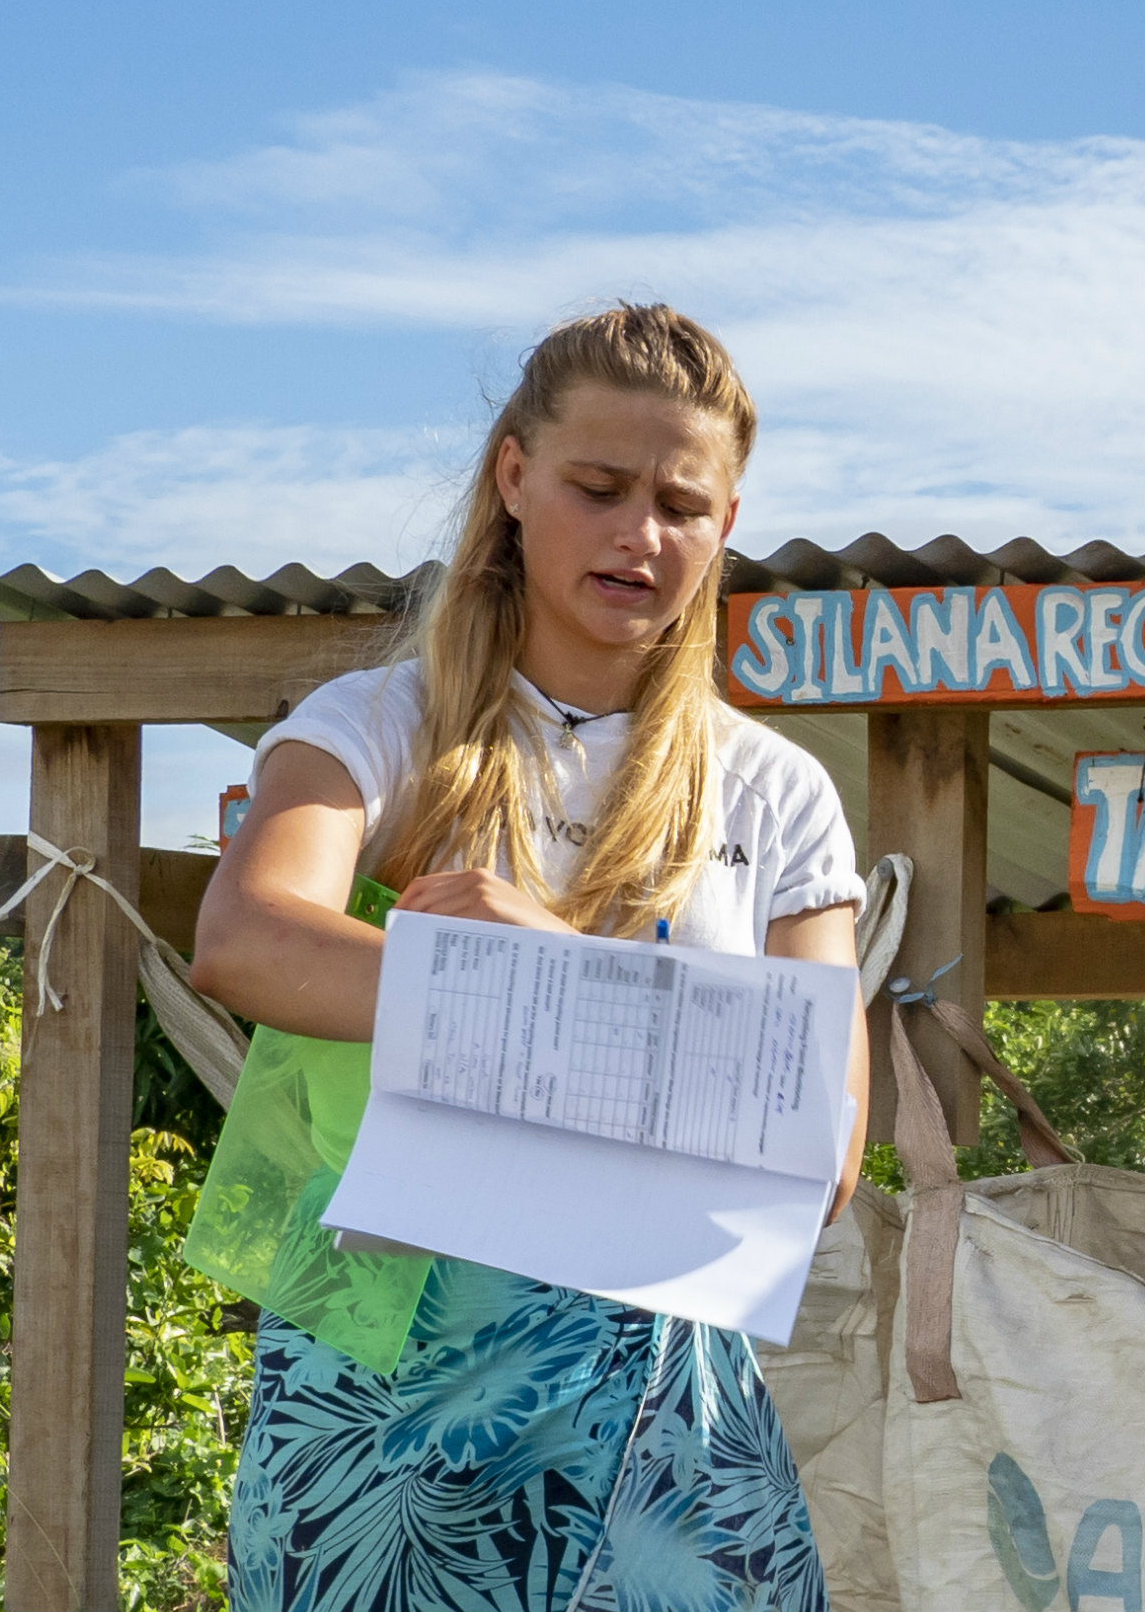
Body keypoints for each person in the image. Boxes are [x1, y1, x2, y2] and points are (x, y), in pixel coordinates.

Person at [187, 304, 871, 1612]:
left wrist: (552, 974)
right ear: (513, 477)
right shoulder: (375, 729)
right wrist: (628, 1034)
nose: (639, 535)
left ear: (726, 521)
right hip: (382, 1399)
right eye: (598, 488)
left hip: (667, 1419)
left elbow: (827, 1146)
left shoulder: (780, 796)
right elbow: (246, 938)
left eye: (682, 502)